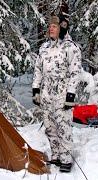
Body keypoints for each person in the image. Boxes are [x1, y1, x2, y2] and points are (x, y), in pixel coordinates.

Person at [32, 15, 82, 172]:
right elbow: (38, 70)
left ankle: (66, 159)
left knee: (63, 127)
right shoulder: (44, 48)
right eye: (50, 26)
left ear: (62, 28)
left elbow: (75, 73)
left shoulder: (70, 48)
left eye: (54, 26)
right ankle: (56, 156)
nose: (50, 28)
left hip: (63, 95)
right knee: (49, 127)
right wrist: (36, 90)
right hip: (47, 94)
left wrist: (71, 95)